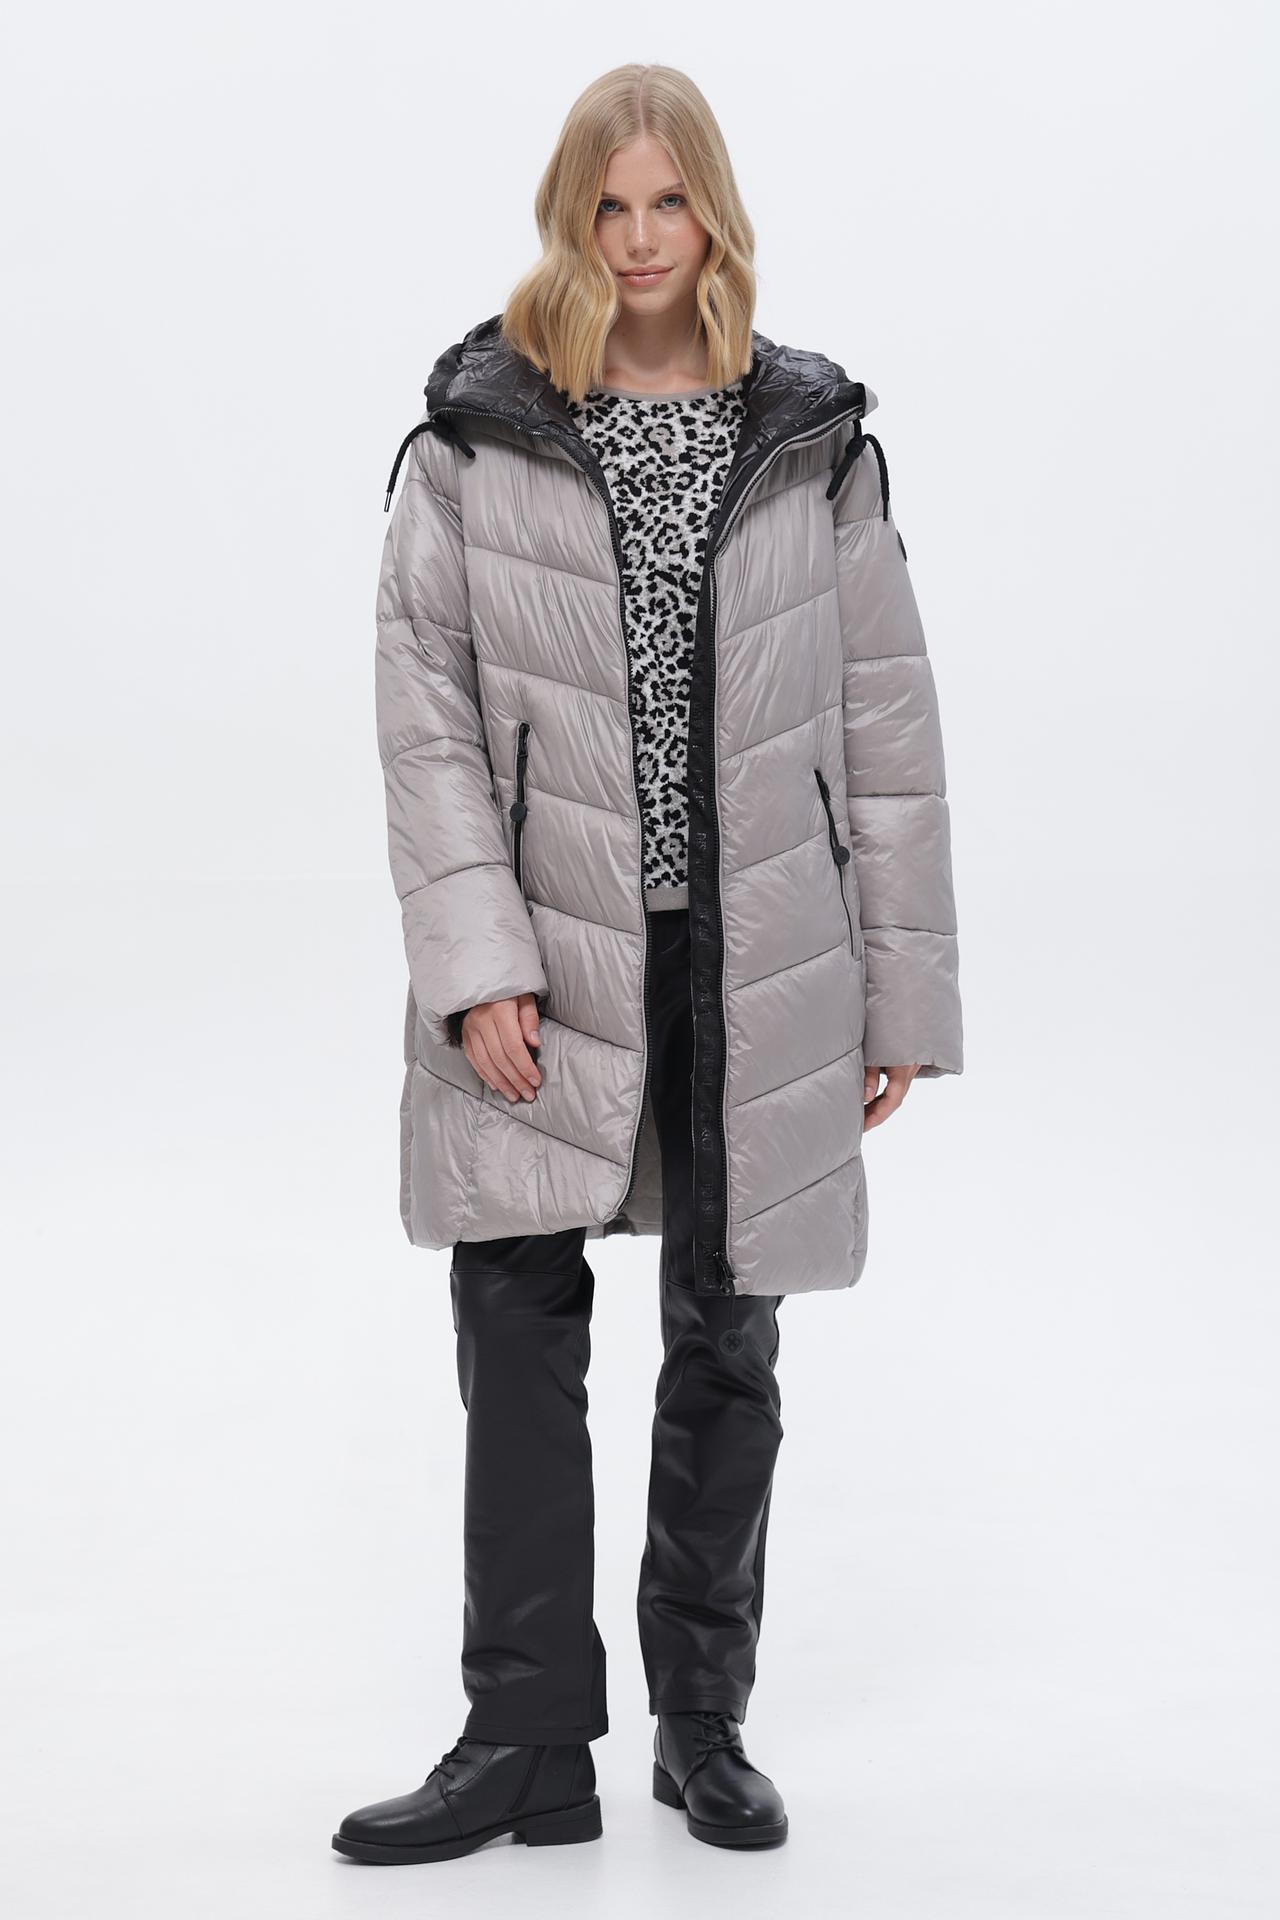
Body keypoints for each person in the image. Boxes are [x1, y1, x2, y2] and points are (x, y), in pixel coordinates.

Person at [333, 61, 963, 1866]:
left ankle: (703, 1722)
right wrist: (479, 965)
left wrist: (895, 993)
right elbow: (427, 720)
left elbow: (886, 722)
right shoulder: (477, 436)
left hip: (750, 952)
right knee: (515, 1319)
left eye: (666, 202)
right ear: (568, 217)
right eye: (605, 207)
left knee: (728, 1327)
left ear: (714, 214)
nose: (635, 239)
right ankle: (526, 1735)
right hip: (545, 948)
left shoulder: (812, 440)